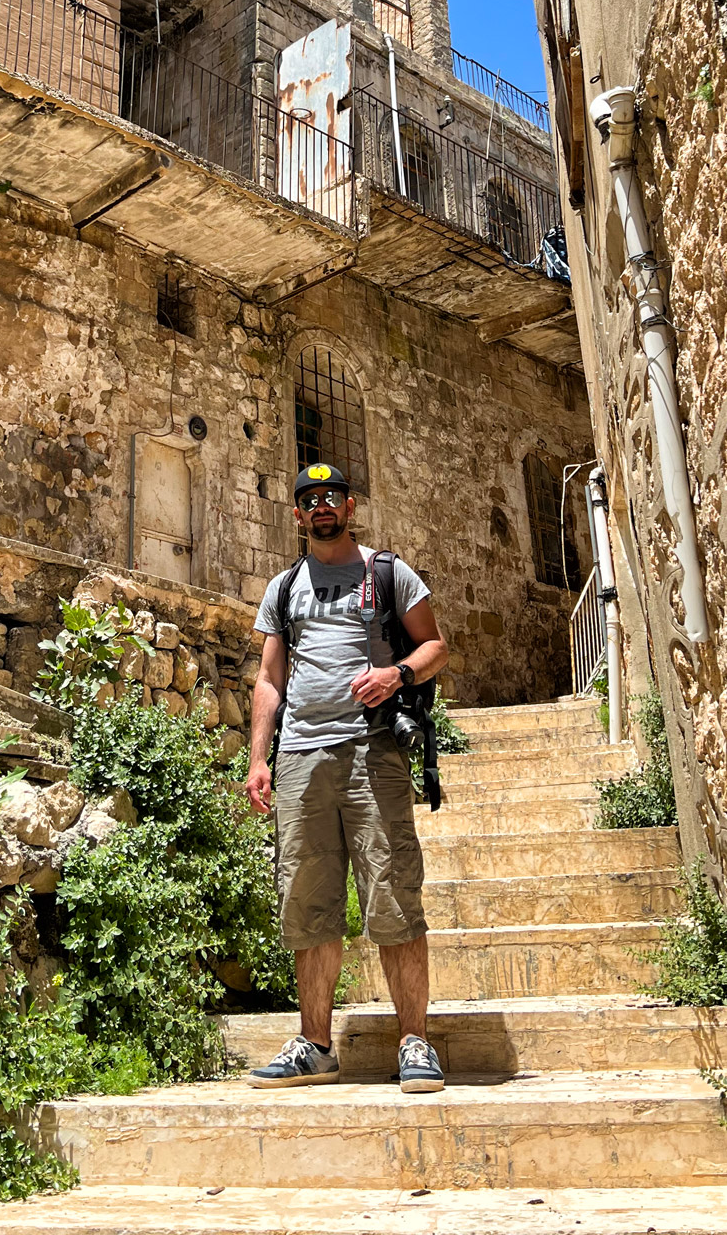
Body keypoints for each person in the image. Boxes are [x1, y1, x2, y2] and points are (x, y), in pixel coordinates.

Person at [244, 462, 449, 1093]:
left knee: (391, 893)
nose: (323, 507)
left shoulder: (388, 574)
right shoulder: (283, 588)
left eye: (332, 497)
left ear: (351, 505)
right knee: (307, 902)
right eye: (311, 500)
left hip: (372, 750)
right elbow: (269, 679)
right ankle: (315, 1045)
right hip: (302, 758)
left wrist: (397, 676)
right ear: (299, 514)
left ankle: (415, 1042)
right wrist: (259, 758)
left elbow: (435, 646)